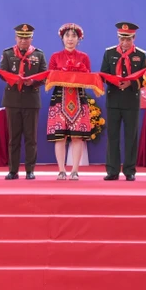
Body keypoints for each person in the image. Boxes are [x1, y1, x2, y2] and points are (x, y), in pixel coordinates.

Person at [101, 22, 146, 181]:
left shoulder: (141, 55)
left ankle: (129, 170)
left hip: (131, 101)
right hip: (113, 100)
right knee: (112, 136)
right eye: (122, 38)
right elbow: (103, 74)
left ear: (134, 38)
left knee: (130, 137)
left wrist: (131, 83)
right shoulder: (109, 53)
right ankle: (112, 170)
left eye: (128, 39)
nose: (125, 42)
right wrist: (112, 81)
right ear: (118, 37)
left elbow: (145, 78)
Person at [0, 24, 47, 180]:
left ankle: (30, 170)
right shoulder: (7, 54)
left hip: (31, 100)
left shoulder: (39, 55)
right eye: (20, 37)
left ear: (31, 39)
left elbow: (45, 75)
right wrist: (14, 79)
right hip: (12, 99)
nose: (23, 40)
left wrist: (33, 82)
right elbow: (2, 73)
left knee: (30, 137)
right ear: (16, 38)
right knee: (14, 138)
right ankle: (13, 170)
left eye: (26, 38)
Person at [47, 23, 92, 181]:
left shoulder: (84, 57)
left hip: (79, 99)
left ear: (78, 39)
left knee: (77, 137)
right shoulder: (55, 57)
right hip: (59, 99)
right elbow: (50, 78)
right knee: (60, 137)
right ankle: (61, 170)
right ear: (62, 38)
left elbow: (88, 79)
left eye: (74, 36)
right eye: (67, 36)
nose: (70, 39)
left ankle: (74, 170)